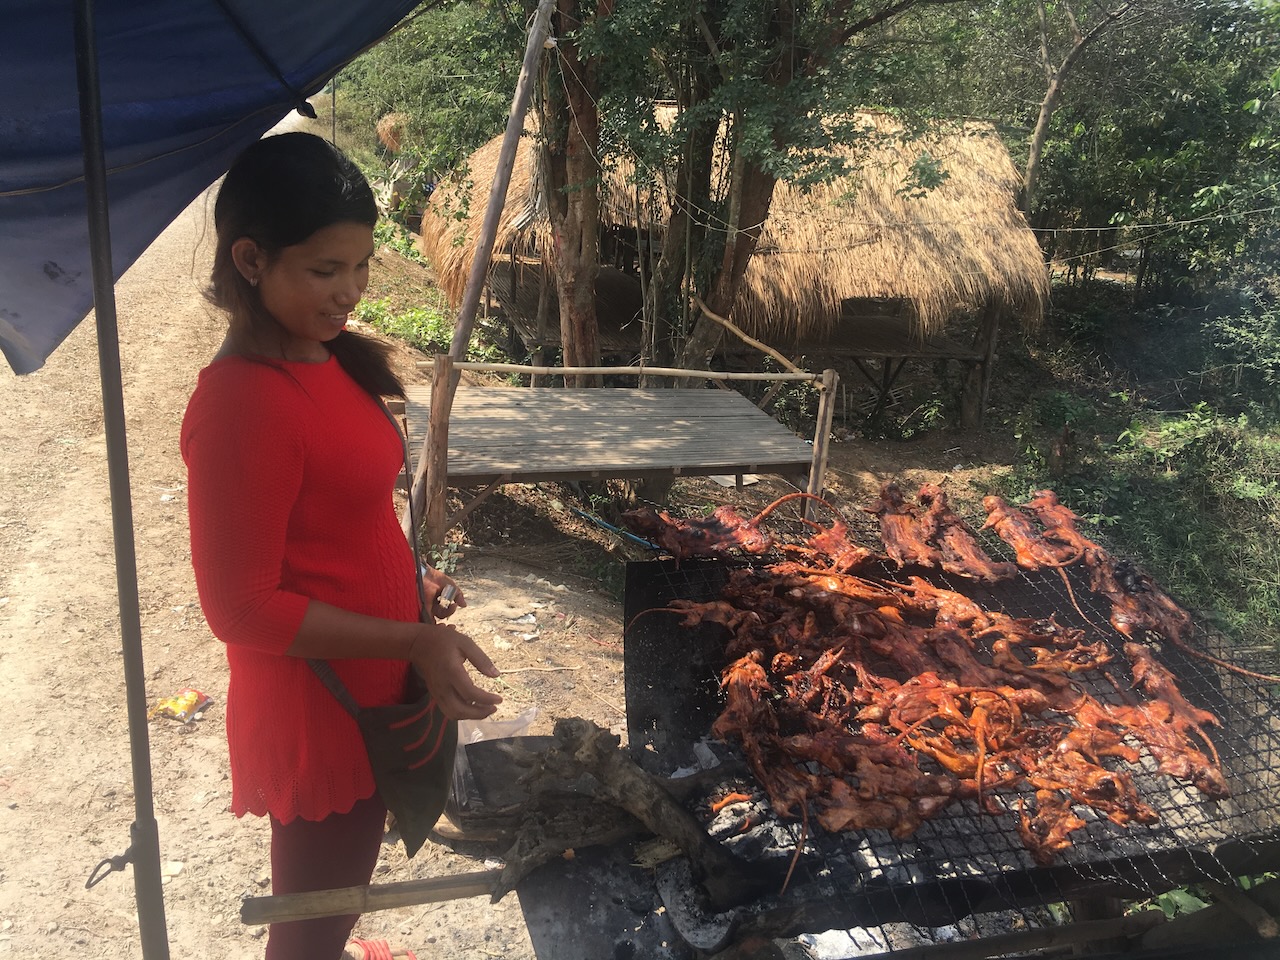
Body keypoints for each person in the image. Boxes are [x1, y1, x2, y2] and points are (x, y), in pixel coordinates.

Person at [181, 131, 502, 960]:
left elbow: (344, 518)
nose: (352, 291)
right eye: (325, 271)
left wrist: (412, 585)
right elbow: (242, 608)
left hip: (377, 684)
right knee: (312, 932)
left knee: (336, 911)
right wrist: (413, 639)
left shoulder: (323, 357)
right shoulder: (244, 404)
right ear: (249, 259)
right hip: (323, 711)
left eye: (360, 266)